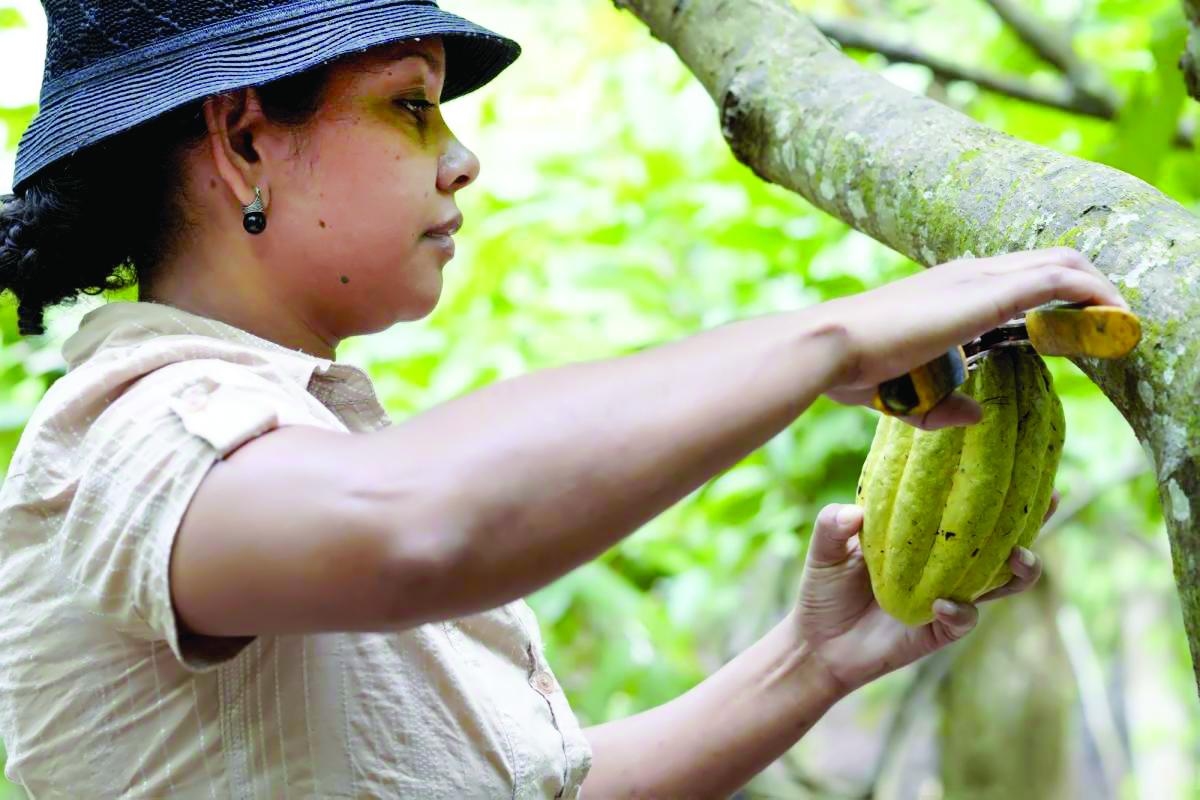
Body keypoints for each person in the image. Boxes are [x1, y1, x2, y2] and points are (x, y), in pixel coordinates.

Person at [0, 1, 1128, 798]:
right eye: (410, 107)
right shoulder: (125, 425)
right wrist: (831, 337)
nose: (461, 159)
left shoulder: (296, 439)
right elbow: (411, 526)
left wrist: (811, 660)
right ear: (245, 140)